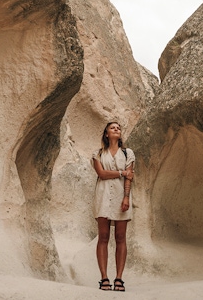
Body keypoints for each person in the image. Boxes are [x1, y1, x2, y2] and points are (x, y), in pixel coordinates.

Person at [91, 121, 135, 292]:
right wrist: (121, 173)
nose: (116, 129)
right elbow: (101, 174)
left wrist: (126, 197)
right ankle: (103, 278)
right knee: (103, 236)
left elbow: (129, 177)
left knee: (120, 237)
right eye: (112, 128)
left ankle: (119, 278)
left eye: (118, 128)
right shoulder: (98, 153)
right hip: (102, 196)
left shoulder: (127, 153)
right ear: (106, 134)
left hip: (120, 196)